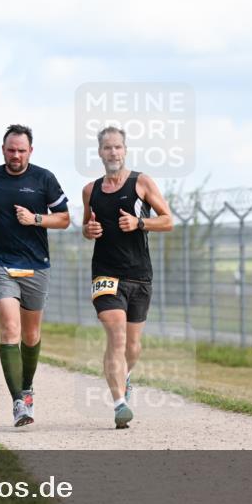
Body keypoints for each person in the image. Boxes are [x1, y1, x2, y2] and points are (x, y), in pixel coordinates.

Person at [0, 124, 71, 427]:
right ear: (3, 149)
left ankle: (27, 388)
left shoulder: (44, 178)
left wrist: (35, 219)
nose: (15, 155)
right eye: (11, 150)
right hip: (0, 262)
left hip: (36, 263)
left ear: (30, 151)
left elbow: (64, 219)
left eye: (21, 151)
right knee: (10, 329)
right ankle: (18, 403)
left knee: (31, 334)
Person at [82, 126, 173, 429]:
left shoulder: (141, 182)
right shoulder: (90, 190)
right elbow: (87, 226)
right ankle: (119, 403)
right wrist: (88, 231)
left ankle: (125, 377)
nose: (113, 153)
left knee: (132, 346)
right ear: (99, 152)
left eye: (118, 147)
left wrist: (139, 223)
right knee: (116, 333)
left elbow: (168, 220)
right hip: (105, 273)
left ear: (125, 150)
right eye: (108, 148)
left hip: (139, 274)